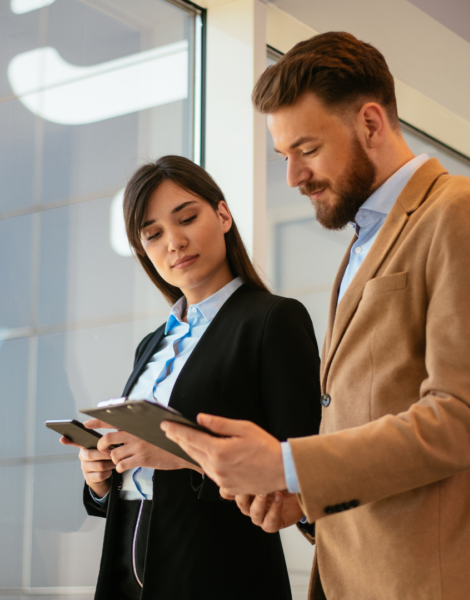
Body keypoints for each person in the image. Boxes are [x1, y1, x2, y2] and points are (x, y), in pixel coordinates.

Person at [162, 32, 470, 600]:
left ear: (370, 123)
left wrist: (288, 462)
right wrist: (303, 495)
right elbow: (373, 413)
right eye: (283, 156)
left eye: (307, 150)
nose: (293, 176)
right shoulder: (366, 240)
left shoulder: (462, 215)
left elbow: (464, 421)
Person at [59, 155, 321, 600]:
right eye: (153, 234)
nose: (174, 242)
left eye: (187, 218)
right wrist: (102, 475)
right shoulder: (152, 344)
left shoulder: (272, 320)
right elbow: (141, 474)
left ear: (222, 215)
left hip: (219, 567)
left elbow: (301, 467)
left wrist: (179, 452)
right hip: (128, 566)